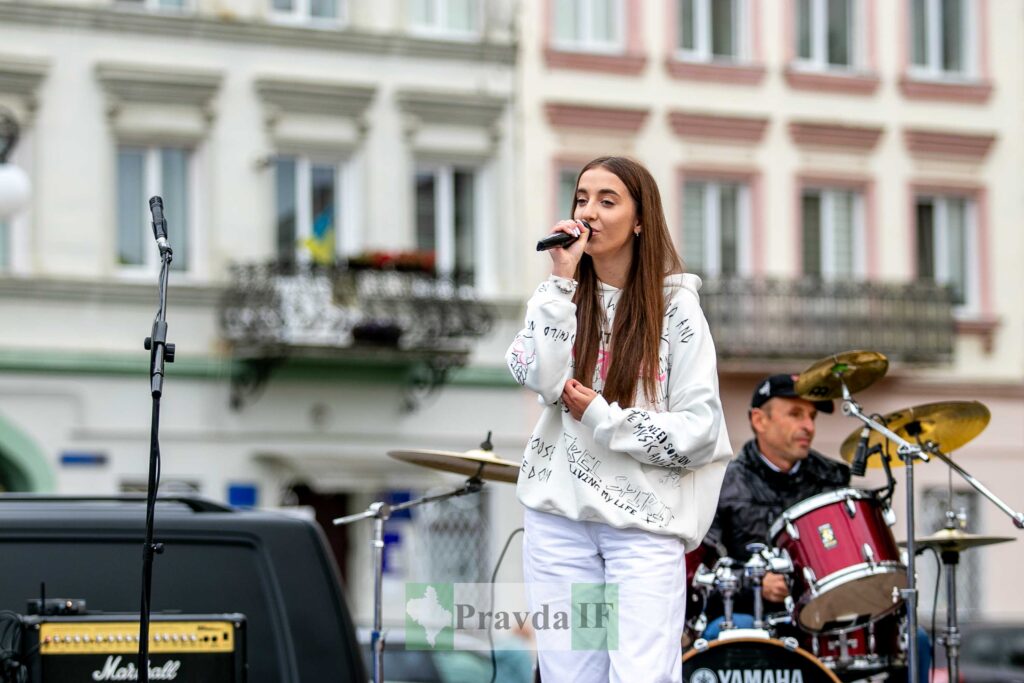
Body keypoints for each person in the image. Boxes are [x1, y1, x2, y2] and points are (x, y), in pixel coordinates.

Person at [505, 156, 733, 683]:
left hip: (641, 527)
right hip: (560, 520)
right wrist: (561, 281)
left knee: (642, 674)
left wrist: (604, 418)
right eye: (582, 198)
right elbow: (537, 375)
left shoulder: (676, 310)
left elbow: (699, 431)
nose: (590, 212)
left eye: (608, 201)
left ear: (638, 221)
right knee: (571, 675)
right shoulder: (555, 297)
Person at [703, 373, 930, 683]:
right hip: (758, 616)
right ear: (759, 420)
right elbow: (701, 570)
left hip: (829, 615)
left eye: (811, 416)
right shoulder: (723, 484)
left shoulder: (831, 477)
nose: (808, 426)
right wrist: (753, 583)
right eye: (795, 414)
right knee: (719, 635)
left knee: (914, 639)